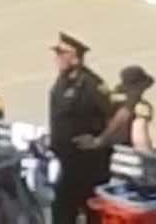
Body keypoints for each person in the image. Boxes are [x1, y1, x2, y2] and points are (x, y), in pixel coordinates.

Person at [47, 32, 112, 224]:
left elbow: (112, 117)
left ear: (75, 57)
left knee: (91, 214)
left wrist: (100, 141)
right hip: (66, 163)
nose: (56, 57)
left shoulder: (92, 85)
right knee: (61, 212)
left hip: (88, 165)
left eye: (61, 53)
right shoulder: (62, 80)